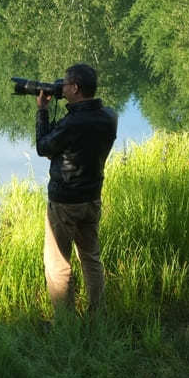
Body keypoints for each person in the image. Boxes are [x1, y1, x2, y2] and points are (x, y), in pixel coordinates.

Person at [35, 63, 117, 315]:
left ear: (76, 88)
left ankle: (65, 323)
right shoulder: (110, 117)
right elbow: (81, 149)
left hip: (65, 202)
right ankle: (96, 314)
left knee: (58, 262)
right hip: (92, 198)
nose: (62, 85)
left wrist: (42, 111)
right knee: (91, 258)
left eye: (66, 83)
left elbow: (43, 148)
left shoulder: (72, 123)